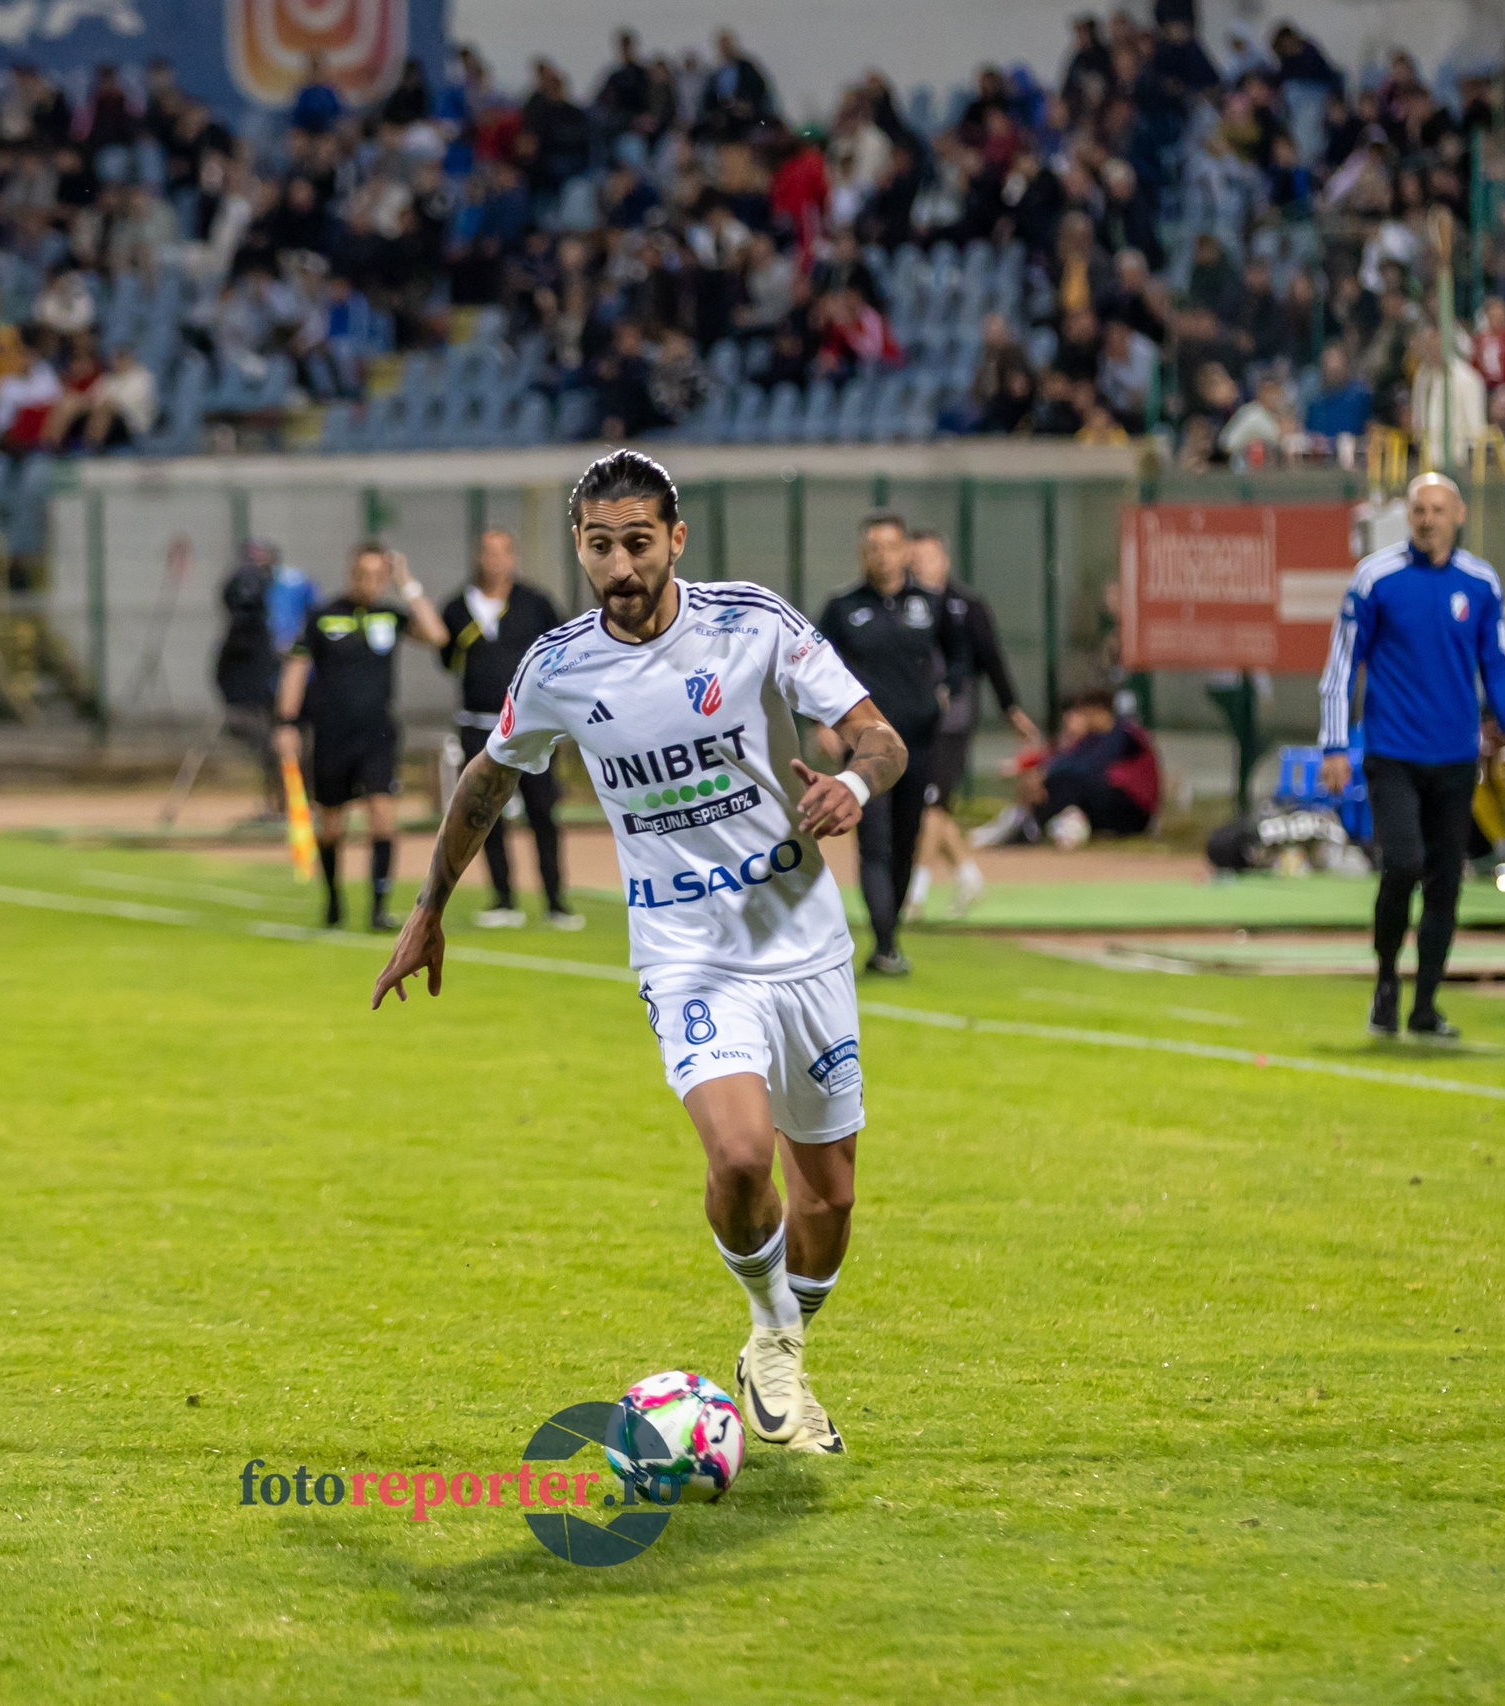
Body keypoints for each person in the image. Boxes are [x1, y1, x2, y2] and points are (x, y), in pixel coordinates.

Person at [375, 450, 903, 1456]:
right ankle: (769, 1325)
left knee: (828, 1195)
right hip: (684, 952)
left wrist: (854, 786)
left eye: (636, 542)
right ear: (578, 546)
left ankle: (778, 1341)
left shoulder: (752, 622)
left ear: (675, 539)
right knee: (742, 1152)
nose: (618, 566)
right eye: (597, 545)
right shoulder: (559, 666)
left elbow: (878, 737)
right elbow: (488, 780)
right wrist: (430, 903)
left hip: (801, 939)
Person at [1320, 474, 1505, 1042]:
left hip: (1456, 756)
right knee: (1403, 864)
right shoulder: (1376, 577)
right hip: (1391, 752)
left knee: (1445, 882)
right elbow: (1341, 667)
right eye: (1420, 509)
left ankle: (1426, 1004)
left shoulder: (1480, 583)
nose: (1428, 519)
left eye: (1439, 509)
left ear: (1458, 513)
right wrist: (1336, 745)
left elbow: (1498, 665)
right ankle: (1387, 978)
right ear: (1408, 516)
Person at [816, 513, 966, 976]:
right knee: (874, 844)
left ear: (905, 550)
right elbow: (816, 665)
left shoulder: (931, 604)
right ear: (863, 553)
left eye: (890, 545)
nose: (881, 554)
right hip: (865, 752)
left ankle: (890, 934)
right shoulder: (842, 608)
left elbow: (961, 656)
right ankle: (884, 945)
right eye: (872, 547)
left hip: (919, 745)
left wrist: (945, 692)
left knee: (907, 842)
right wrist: (825, 720)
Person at [274, 543, 448, 930]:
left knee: (383, 816)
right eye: (363, 575)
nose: (371, 583)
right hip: (332, 733)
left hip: (378, 732)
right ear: (351, 573)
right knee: (332, 824)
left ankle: (379, 908)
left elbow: (437, 635)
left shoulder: (390, 615)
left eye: (378, 576)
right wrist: (286, 724)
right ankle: (334, 900)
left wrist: (407, 583)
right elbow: (296, 669)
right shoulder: (323, 616)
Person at [439, 528, 576, 929]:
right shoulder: (457, 607)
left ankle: (555, 901)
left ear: (512, 557)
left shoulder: (535, 603)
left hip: (531, 728)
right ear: (477, 557)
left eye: (501, 552)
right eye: (487, 552)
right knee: (485, 815)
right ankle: (503, 900)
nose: (494, 560)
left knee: (542, 813)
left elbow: (562, 651)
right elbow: (446, 659)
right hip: (478, 726)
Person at [904, 532, 1040, 919]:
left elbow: (990, 658)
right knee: (929, 806)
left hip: (952, 720)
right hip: (912, 720)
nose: (920, 566)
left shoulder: (966, 606)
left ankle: (914, 893)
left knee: (932, 805)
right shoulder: (902, 606)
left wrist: (1011, 707)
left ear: (944, 560)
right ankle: (968, 875)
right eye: (914, 559)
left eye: (927, 557)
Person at [213, 540, 296, 816]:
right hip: (251, 692)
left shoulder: (288, 589)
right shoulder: (241, 628)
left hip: (275, 690)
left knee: (281, 747)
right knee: (267, 747)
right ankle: (276, 804)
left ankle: (284, 803)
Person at [1011, 691, 1158, 842]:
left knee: (1071, 783)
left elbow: (1091, 767)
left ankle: (1033, 827)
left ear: (1100, 711)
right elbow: (1068, 759)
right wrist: (1043, 774)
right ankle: (1031, 825)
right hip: (1107, 800)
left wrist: (1047, 774)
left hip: (1134, 809)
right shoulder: (1092, 738)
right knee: (1060, 783)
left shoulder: (1124, 734)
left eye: (1087, 714)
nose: (1084, 719)